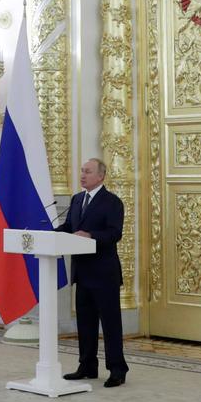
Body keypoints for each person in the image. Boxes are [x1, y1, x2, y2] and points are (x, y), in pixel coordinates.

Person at [57, 158, 129, 387]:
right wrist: (49, 232)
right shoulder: (77, 200)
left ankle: (117, 369)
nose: (83, 175)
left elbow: (114, 233)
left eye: (87, 171)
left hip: (104, 272)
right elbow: (70, 227)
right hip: (83, 271)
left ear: (101, 176)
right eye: (81, 171)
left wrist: (91, 235)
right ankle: (87, 366)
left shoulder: (112, 202)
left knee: (110, 324)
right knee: (85, 323)